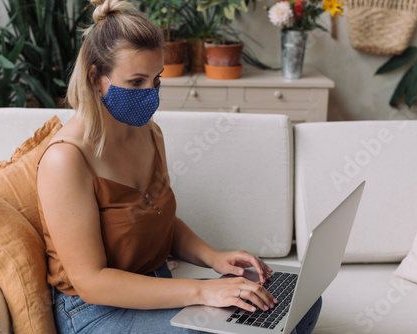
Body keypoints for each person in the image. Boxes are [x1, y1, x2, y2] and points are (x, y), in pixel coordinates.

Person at [37, 0, 322, 333]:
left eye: (156, 80)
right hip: (95, 309)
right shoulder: (66, 159)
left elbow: (160, 221)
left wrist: (215, 259)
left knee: (299, 302)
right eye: (135, 82)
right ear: (95, 77)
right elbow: (92, 282)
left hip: (158, 285)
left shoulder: (149, 133)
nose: (150, 94)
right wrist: (203, 290)